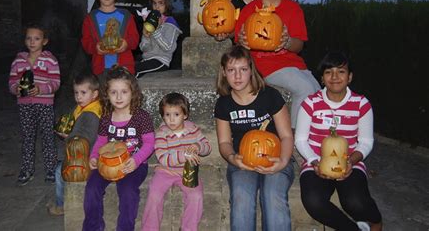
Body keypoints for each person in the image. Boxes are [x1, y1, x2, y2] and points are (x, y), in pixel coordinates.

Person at [295, 51, 382, 231]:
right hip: (316, 163)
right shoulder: (310, 103)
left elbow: (366, 142)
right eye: (328, 72)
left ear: (349, 77)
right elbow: (301, 140)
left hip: (350, 162)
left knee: (354, 201)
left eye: (341, 72)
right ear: (322, 78)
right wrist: (315, 162)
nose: (334, 77)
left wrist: (351, 161)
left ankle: (376, 220)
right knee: (313, 201)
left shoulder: (361, 104)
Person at [214, 45, 294, 231]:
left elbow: (286, 135)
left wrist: (282, 161)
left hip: (276, 157)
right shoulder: (223, 104)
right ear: (224, 73)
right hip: (243, 160)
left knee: (273, 195)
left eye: (243, 69)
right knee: (241, 196)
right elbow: (224, 142)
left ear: (251, 70)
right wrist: (232, 157)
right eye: (231, 70)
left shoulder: (270, 96)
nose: (238, 76)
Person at [235, 0, 320, 129]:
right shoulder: (249, 10)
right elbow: (238, 45)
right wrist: (243, 43)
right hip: (264, 65)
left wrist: (287, 41)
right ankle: (295, 138)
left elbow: (299, 45)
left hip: (294, 65)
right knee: (304, 88)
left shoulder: (293, 9)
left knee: (318, 91)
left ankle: (315, 137)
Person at [83, 65, 155, 231]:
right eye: (113, 92)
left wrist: (136, 161)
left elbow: (150, 143)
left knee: (128, 191)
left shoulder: (141, 116)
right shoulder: (106, 118)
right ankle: (92, 227)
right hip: (107, 163)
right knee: (92, 187)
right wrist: (93, 157)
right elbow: (101, 142)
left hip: (133, 164)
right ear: (107, 95)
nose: (119, 96)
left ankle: (125, 228)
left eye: (124, 91)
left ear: (133, 92)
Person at [141, 92, 211, 231]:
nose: (171, 119)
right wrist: (184, 155)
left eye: (176, 115)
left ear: (185, 115)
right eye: (167, 115)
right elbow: (163, 158)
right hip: (165, 171)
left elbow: (207, 147)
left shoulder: (193, 129)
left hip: (188, 171)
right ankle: (149, 228)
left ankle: (188, 228)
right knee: (154, 194)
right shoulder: (162, 134)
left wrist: (198, 146)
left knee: (196, 196)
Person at [8, 22, 61, 185]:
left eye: (36, 38)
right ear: (25, 41)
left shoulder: (50, 60)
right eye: (29, 38)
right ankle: (27, 169)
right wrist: (15, 88)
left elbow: (56, 82)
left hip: (44, 105)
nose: (32, 42)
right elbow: (12, 81)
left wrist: (41, 89)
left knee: (47, 137)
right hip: (25, 105)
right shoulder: (19, 61)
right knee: (28, 137)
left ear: (44, 41)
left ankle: (51, 169)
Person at [48, 72, 102, 216]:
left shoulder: (91, 114)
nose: (78, 96)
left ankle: (61, 205)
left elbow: (86, 139)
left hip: (86, 156)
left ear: (95, 94)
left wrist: (67, 136)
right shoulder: (82, 107)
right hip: (79, 152)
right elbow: (72, 121)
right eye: (76, 92)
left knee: (59, 172)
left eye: (83, 92)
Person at [81, 0, 140, 76]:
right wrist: (95, 47)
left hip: (124, 68)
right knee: (104, 92)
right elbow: (86, 41)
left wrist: (126, 44)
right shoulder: (90, 18)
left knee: (123, 92)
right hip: (101, 70)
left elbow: (135, 39)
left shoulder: (126, 16)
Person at [135, 0, 182, 78]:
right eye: (154, 3)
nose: (157, 7)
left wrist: (155, 31)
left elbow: (168, 48)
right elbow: (144, 48)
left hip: (160, 61)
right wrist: (146, 37)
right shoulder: (150, 21)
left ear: (166, 5)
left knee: (134, 70)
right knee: (128, 68)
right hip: (146, 59)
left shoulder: (170, 23)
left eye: (161, 3)